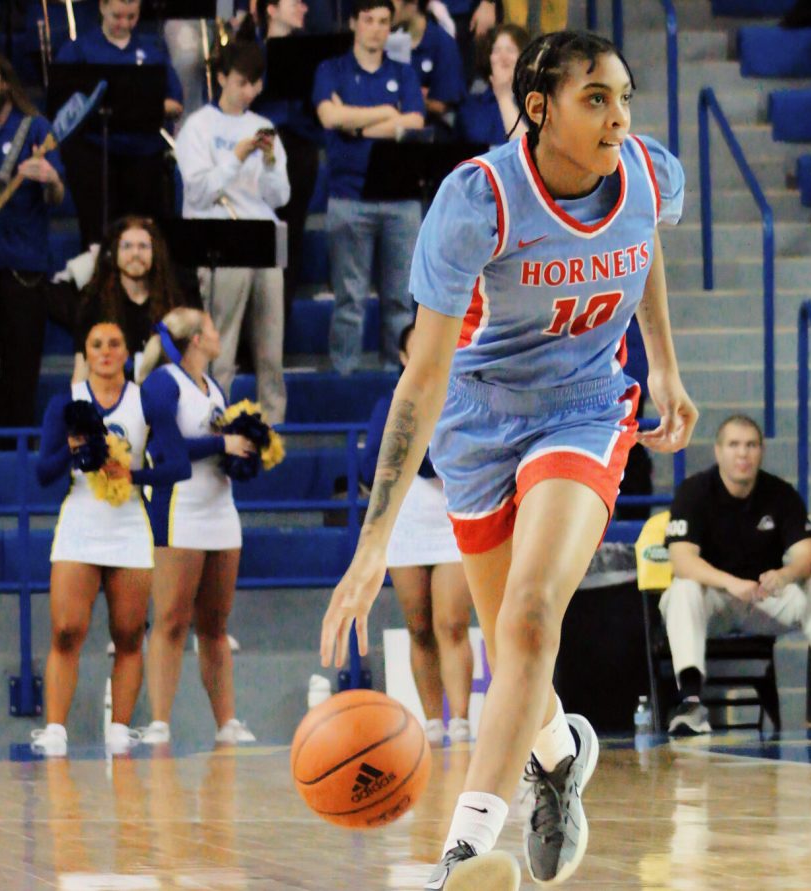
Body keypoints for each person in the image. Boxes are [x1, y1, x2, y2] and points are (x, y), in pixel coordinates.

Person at [320, 30, 696, 890]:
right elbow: (421, 378)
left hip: (587, 410)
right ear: (539, 108)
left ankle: (466, 846)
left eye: (624, 98)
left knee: (529, 616)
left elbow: (643, 245)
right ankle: (560, 759)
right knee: (511, 642)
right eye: (595, 99)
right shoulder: (478, 200)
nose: (617, 117)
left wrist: (664, 363)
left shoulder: (646, 169)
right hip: (476, 426)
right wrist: (375, 541)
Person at [660, 415, 811, 737]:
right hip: (714, 602)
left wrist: (786, 574)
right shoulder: (694, 492)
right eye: (734, 445)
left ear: (761, 451)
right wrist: (730, 583)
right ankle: (691, 704)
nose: (743, 454)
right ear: (718, 452)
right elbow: (681, 560)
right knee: (683, 588)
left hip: (764, 600)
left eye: (751, 445)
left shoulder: (780, 494)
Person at [30, 320, 192, 757]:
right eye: (96, 344)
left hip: (128, 526)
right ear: (85, 353)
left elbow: (179, 465)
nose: (105, 351)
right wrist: (72, 445)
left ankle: (120, 729)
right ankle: (55, 730)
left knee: (127, 634)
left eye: (114, 343)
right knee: (66, 630)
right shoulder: (66, 403)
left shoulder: (146, 402)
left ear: (127, 352)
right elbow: (43, 473)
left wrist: (133, 473)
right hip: (80, 522)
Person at [136, 307, 259, 746]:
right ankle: (159, 722)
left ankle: (226, 722)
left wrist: (246, 454)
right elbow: (169, 448)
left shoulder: (215, 387)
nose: (217, 332)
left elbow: (219, 448)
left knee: (215, 624)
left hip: (220, 507)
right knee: (170, 618)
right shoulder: (162, 383)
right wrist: (222, 442)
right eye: (210, 326)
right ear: (194, 339)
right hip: (179, 509)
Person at [362, 322, 474, 747]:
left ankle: (461, 719)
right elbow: (376, 457)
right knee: (419, 625)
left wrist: (423, 454)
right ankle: (431, 720)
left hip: (454, 515)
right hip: (408, 519)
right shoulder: (389, 403)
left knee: (452, 622)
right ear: (405, 359)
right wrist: (429, 458)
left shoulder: (463, 397)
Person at [175, 37, 289, 423]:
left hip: (263, 239)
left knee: (271, 349)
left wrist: (270, 163)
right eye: (241, 81)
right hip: (221, 241)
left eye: (256, 83)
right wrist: (236, 157)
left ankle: (273, 425)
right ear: (221, 77)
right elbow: (199, 191)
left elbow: (279, 196)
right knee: (219, 343)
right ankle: (213, 419)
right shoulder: (198, 127)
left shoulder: (264, 125)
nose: (249, 91)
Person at [312, 0, 425, 374]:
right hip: (348, 197)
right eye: (369, 21)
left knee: (399, 300)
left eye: (383, 22)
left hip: (400, 200)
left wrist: (356, 125)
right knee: (349, 301)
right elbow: (329, 117)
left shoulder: (404, 73)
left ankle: (399, 380)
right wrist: (386, 115)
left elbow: (413, 121)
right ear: (354, 24)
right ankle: (343, 382)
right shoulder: (331, 69)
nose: (376, 29)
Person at [0, 50, 65, 431]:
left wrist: (50, 178)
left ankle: (17, 472)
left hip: (21, 272)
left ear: (5, 82)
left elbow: (57, 197)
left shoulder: (35, 129)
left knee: (19, 379)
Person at [56, 0, 184, 245]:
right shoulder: (79, 50)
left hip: (142, 153)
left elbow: (175, 103)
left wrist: (139, 104)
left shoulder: (152, 52)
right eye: (117, 16)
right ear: (102, 7)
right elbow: (62, 105)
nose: (124, 24)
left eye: (131, 17)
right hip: (96, 152)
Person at [71, 215, 201, 382]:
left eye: (143, 246)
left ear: (155, 252)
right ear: (114, 252)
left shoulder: (173, 301)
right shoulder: (94, 304)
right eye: (127, 246)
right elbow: (81, 370)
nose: (135, 254)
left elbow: (191, 366)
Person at [254, 0, 319, 311]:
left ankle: (280, 317)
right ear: (271, 8)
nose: (304, 8)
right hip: (261, 146)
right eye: (296, 2)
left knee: (291, 237)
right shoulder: (251, 51)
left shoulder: (312, 55)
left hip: (300, 149)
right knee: (260, 235)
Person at [392, 0, 467, 132]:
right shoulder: (386, 39)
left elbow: (440, 105)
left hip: (432, 132)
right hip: (389, 128)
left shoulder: (443, 44)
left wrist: (406, 94)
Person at [456, 23, 529, 145]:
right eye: (496, 50)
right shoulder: (470, 107)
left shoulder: (536, 106)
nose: (503, 57)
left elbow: (526, 153)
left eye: (510, 50)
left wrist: (503, 96)